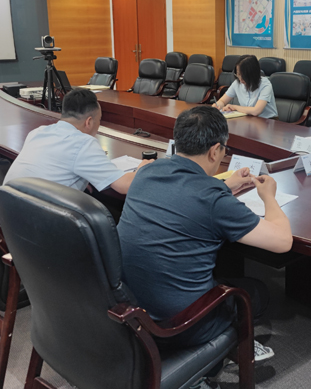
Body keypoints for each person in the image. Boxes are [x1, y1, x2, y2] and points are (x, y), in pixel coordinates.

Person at [118, 105, 293, 355]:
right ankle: (224, 344)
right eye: (224, 150)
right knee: (258, 293)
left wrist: (226, 184)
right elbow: (283, 241)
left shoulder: (146, 172)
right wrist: (269, 197)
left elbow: (184, 192)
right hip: (180, 326)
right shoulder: (213, 200)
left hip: (132, 310)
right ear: (214, 151)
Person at [3, 88, 149, 196]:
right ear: (89, 122)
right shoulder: (83, 143)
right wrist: (143, 168)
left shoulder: (38, 132)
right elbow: (125, 186)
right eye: (99, 120)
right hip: (39, 221)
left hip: (8, 212)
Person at [213, 55, 279, 119]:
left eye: (244, 76)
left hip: (268, 121)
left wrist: (234, 107)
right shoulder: (237, 83)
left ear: (253, 74)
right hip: (248, 119)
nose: (241, 79)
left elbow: (256, 111)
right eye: (238, 74)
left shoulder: (265, 84)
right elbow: (222, 101)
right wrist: (217, 105)